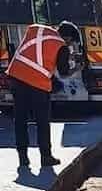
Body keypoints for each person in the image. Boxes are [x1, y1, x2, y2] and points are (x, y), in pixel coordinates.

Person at [7, 22, 78, 171]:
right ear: (68, 37)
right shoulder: (62, 46)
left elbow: (38, 54)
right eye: (71, 42)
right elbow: (63, 72)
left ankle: (23, 157)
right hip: (37, 83)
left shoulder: (36, 30)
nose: (70, 45)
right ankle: (46, 157)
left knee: (20, 119)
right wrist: (76, 68)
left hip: (16, 76)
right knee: (42, 122)